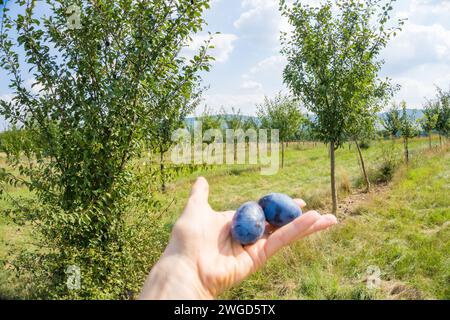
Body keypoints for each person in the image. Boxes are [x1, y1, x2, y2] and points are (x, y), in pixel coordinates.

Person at [139, 177, 337, 300]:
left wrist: (184, 277)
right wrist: (188, 273)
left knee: (293, 213)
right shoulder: (249, 221)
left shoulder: (253, 217)